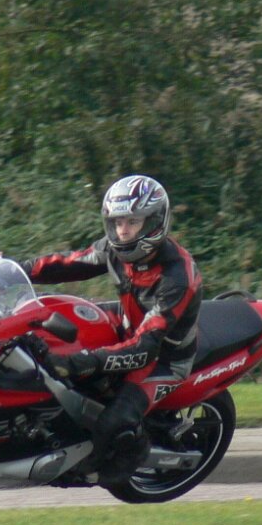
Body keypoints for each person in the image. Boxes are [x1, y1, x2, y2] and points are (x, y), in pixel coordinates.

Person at [18, 174, 202, 484]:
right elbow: (68, 263)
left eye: (132, 222)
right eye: (117, 222)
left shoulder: (176, 277)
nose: (123, 231)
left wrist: (80, 362)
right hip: (126, 324)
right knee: (48, 325)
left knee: (114, 422)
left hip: (164, 358)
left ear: (154, 222)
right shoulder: (115, 249)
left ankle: (123, 459)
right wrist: (15, 271)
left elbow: (146, 348)